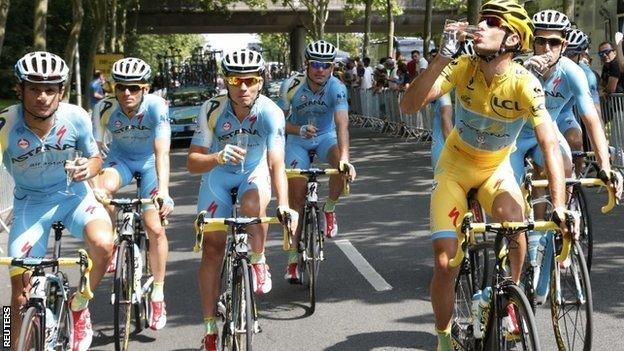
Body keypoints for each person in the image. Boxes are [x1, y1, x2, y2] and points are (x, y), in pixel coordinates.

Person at [400, 1, 570, 349]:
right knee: (446, 261)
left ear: (512, 39)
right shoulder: (463, 66)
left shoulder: (524, 83)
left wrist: (559, 205)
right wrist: (441, 58)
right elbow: (408, 105)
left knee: (516, 222)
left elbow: (549, 145)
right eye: (481, 20)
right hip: (455, 169)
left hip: (495, 168)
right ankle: (444, 337)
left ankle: (511, 295)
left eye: (491, 22)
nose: (480, 26)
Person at [187, 49, 298, 351]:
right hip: (217, 178)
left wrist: (284, 204)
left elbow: (276, 164)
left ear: (260, 81)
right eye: (236, 80)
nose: (243, 87)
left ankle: (259, 260)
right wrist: (216, 156)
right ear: (226, 81)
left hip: (253, 175)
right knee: (211, 249)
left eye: (250, 80)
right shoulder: (211, 109)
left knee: (252, 207)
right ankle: (210, 329)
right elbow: (193, 163)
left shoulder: (271, 113)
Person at [2, 51, 113, 351]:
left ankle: (79, 305)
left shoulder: (76, 117)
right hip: (30, 206)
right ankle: (9, 341)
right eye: (34, 88)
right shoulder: (5, 124)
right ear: (20, 89)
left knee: (104, 244)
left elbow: (95, 159)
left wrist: (87, 169)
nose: (42, 97)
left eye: (50, 89)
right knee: (19, 291)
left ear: (61, 92)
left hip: (73, 197)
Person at [91, 57, 174, 331]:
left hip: (150, 164)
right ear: (114, 88)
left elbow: (162, 151)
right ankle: (115, 239)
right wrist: (92, 185)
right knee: (102, 190)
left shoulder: (156, 107)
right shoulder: (103, 108)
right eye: (121, 87)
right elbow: (95, 152)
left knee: (155, 228)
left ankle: (159, 294)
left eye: (134, 88)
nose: (127, 93)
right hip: (120, 161)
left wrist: (163, 191)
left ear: (145, 89)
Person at [277, 40, 356, 283]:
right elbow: (277, 124)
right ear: (306, 65)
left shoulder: (337, 87)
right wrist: (297, 129)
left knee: (339, 167)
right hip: (297, 139)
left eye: (326, 65)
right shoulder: (290, 86)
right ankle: (292, 259)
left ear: (332, 67)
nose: (320, 69)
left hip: (326, 136)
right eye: (315, 64)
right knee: (296, 201)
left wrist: (345, 159)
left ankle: (329, 208)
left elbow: (342, 124)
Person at [562, 28, 603, 173]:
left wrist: (603, 156)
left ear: (581, 55)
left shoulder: (584, 74)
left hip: (563, 113)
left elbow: (593, 114)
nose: (568, 58)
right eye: (566, 54)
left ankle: (577, 181)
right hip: (541, 115)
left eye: (573, 54)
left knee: (577, 141)